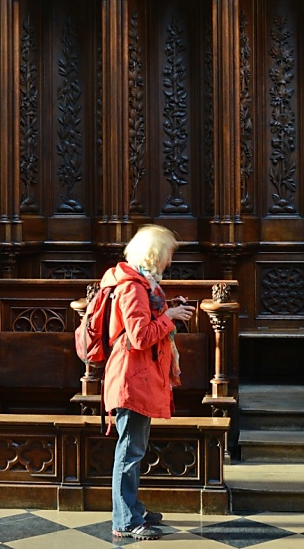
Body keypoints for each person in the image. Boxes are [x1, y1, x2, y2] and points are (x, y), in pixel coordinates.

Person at [101, 225, 193, 541]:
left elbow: (144, 325)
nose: (169, 261)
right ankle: (125, 520)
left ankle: (132, 510)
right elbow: (140, 337)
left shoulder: (144, 286)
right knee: (129, 452)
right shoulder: (132, 288)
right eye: (167, 253)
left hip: (138, 377)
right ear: (154, 254)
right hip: (131, 379)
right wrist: (171, 317)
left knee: (133, 450)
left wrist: (167, 310)